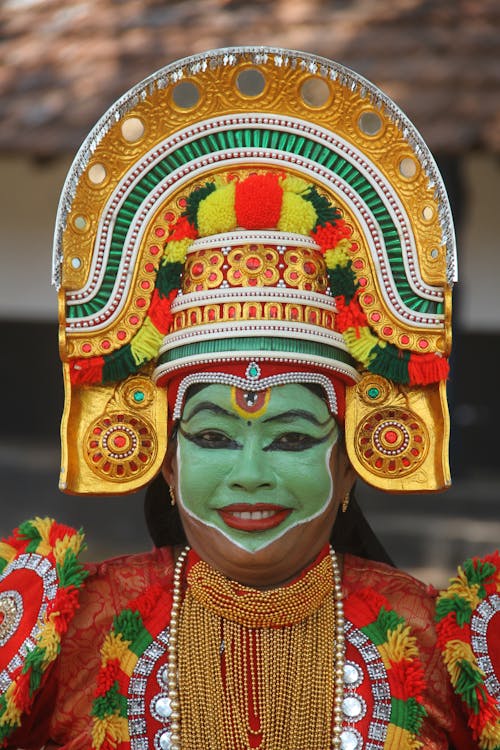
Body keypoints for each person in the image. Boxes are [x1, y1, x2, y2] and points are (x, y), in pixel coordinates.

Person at [0, 47, 498, 750]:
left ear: (352, 460)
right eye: (212, 437)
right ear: (167, 466)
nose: (251, 472)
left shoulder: (443, 645)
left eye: (293, 437)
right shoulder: (68, 631)